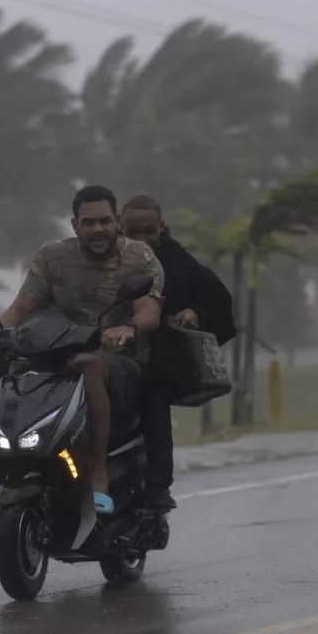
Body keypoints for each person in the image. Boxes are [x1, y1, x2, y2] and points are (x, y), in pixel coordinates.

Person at [0, 185, 165, 518]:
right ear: (75, 225)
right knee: (14, 370)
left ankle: (98, 475)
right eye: (89, 222)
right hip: (54, 352)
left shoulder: (139, 256)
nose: (98, 229)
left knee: (88, 364)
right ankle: (7, 475)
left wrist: (129, 329)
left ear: (118, 222)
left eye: (105, 221)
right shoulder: (52, 256)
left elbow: (148, 309)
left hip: (119, 359)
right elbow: (24, 304)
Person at [122, 193, 236, 511]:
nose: (143, 239)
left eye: (150, 231)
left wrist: (194, 312)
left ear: (162, 228)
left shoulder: (176, 261)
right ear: (120, 228)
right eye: (134, 232)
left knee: (151, 394)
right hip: (101, 351)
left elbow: (217, 299)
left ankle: (158, 485)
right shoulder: (104, 258)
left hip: (151, 359)